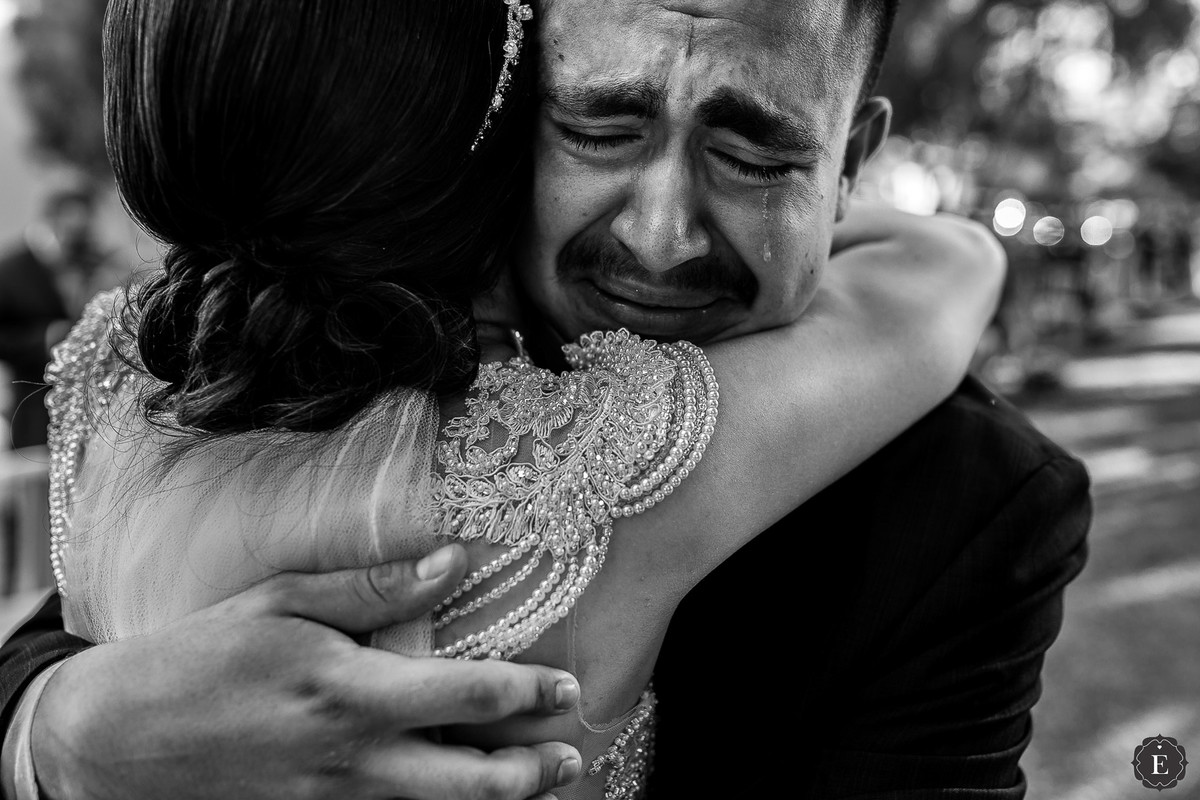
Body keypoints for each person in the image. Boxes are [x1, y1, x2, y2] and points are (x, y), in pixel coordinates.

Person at [0, 2, 1089, 800]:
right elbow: (937, 267)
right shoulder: (581, 467)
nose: (661, 237)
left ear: (850, 161)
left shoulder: (128, 375)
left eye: (754, 154)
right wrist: (55, 728)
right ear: (507, 123)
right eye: (601, 131)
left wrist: (64, 737)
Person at [0, 186, 112, 449]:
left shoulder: (94, 263)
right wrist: (44, 338)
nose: (81, 236)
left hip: (90, 406)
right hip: (33, 408)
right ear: (52, 219)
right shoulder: (9, 270)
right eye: (73, 227)